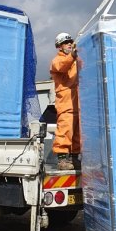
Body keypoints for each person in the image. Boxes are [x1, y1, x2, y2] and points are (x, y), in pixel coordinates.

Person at [50, 32, 81, 171]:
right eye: (66, 42)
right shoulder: (57, 60)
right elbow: (62, 66)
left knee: (77, 133)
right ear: (60, 46)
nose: (69, 43)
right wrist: (73, 56)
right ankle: (62, 160)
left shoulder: (74, 61)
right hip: (66, 104)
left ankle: (74, 158)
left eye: (70, 41)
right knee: (65, 130)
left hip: (78, 105)